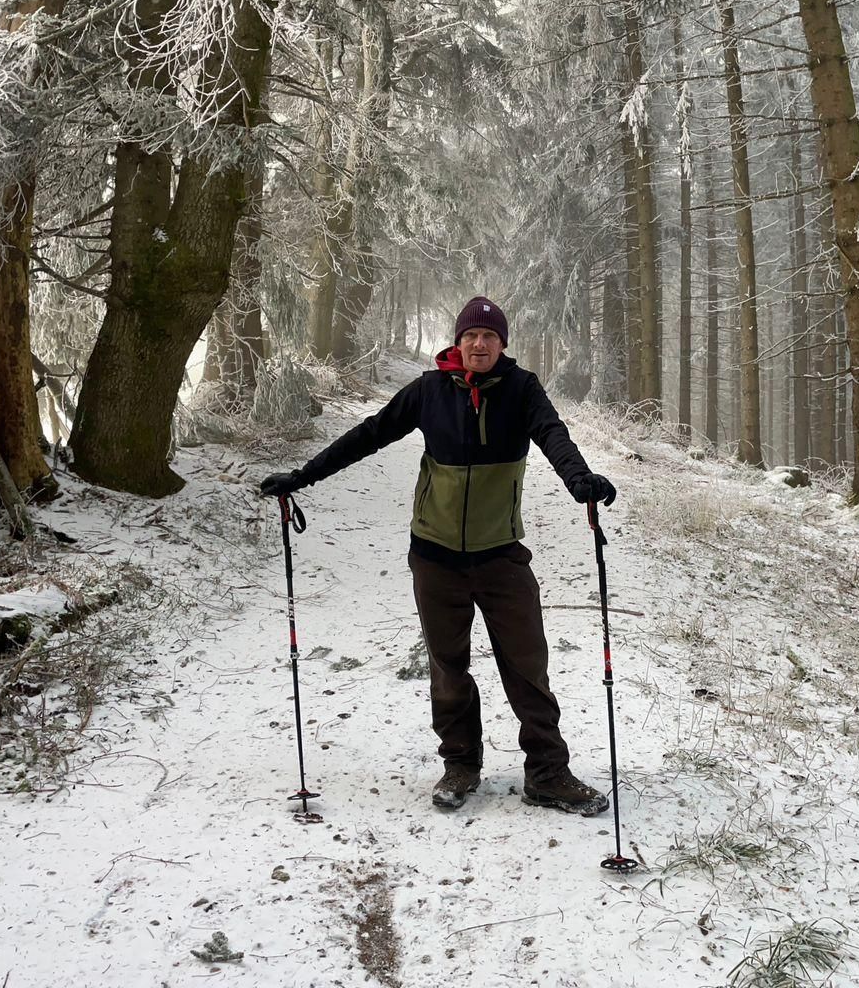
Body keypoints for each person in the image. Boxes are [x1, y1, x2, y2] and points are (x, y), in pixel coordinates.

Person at [260, 295, 618, 814]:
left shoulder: (522, 389)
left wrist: (579, 479)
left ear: (502, 344)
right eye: (471, 335)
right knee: (448, 667)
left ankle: (547, 773)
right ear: (458, 341)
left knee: (527, 666)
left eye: (489, 336)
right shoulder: (429, 390)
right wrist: (303, 477)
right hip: (435, 555)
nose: (479, 344)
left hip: (500, 555)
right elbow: (370, 434)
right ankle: (460, 765)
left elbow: (553, 435)